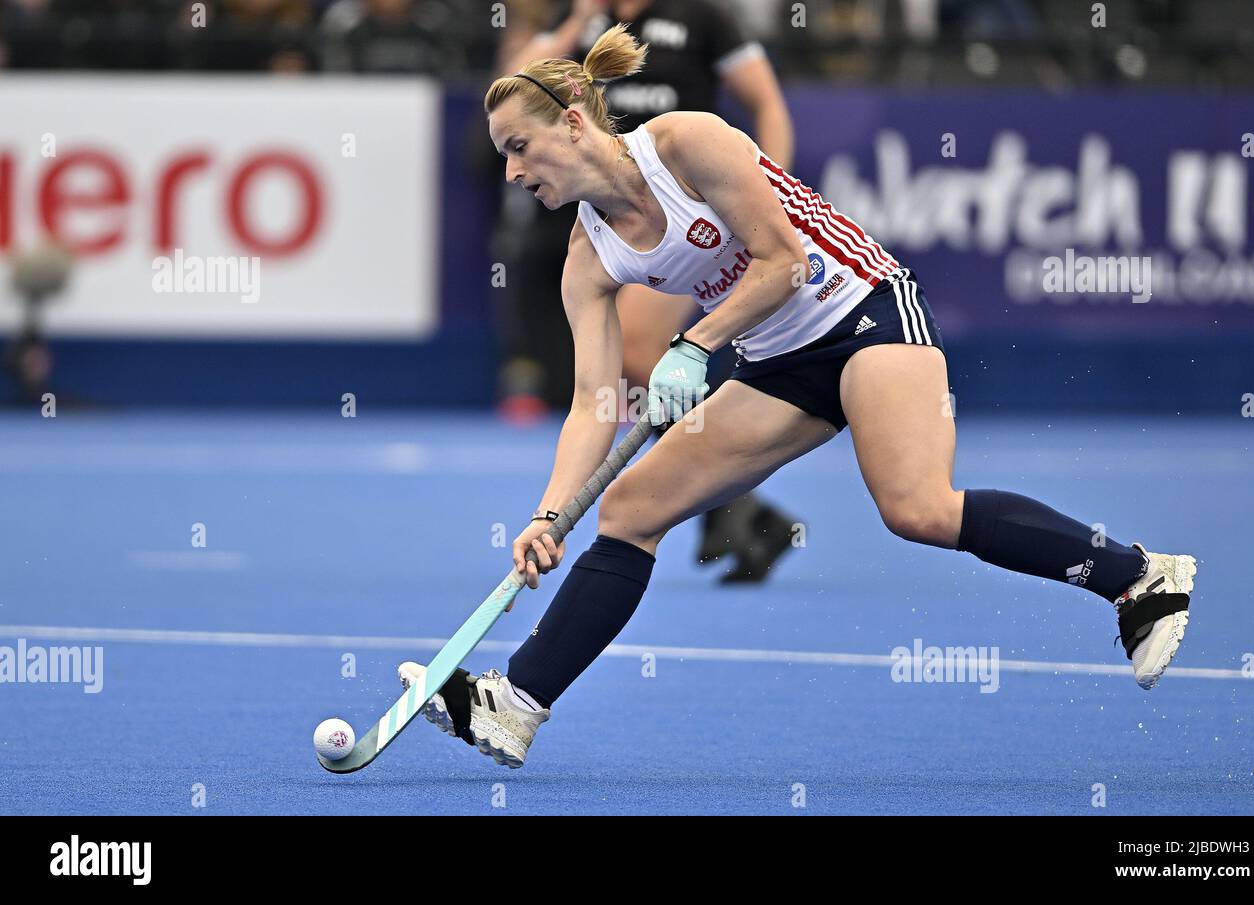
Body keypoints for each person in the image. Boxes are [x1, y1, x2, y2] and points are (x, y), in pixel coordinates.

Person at [400, 25, 1198, 768]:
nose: (510, 171)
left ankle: (1136, 575)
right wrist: (547, 514)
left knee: (916, 507)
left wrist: (693, 346)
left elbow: (780, 260)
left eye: (519, 147)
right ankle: (517, 701)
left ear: (574, 121)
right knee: (628, 509)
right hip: (777, 359)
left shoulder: (686, 142)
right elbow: (589, 405)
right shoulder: (588, 255)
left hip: (864, 311)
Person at [494, 0, 802, 583]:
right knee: (637, 365)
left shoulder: (702, 18)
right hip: (637, 220)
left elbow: (766, 102)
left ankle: (726, 500)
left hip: (699, 202)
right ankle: (734, 509)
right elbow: (512, 91)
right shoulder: (577, 19)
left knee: (641, 353)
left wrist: (770, 192)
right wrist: (568, 28)